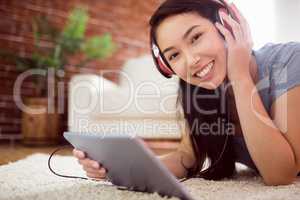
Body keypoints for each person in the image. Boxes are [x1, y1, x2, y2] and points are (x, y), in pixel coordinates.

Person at [73, 0, 300, 186]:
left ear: (227, 26)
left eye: (195, 37)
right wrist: (118, 167)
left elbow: (280, 175)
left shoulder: (289, 61)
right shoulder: (202, 92)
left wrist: (240, 76)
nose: (191, 61)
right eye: (174, 56)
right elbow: (186, 158)